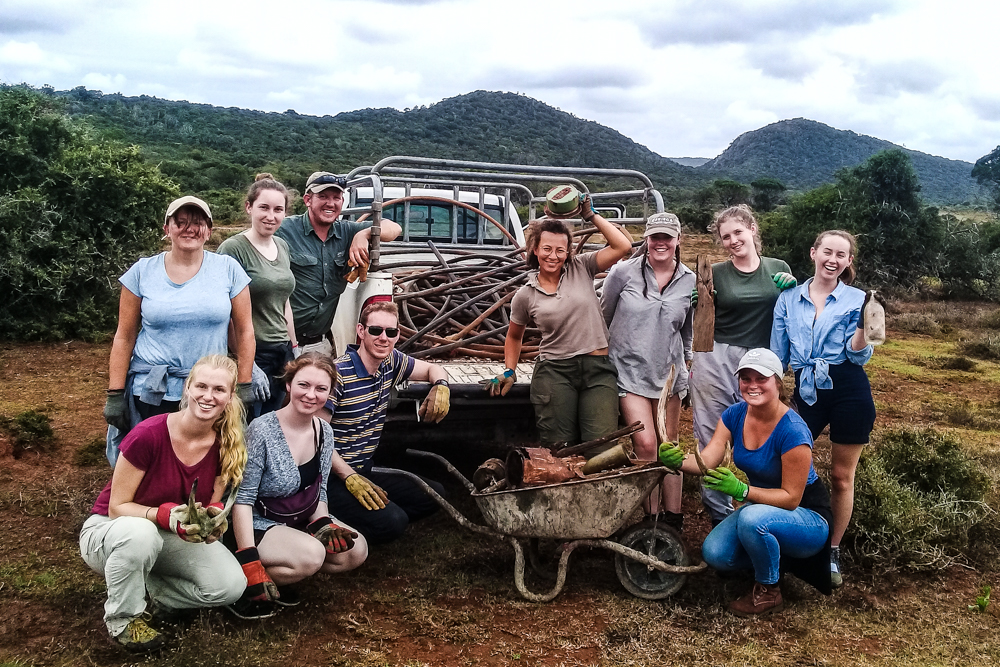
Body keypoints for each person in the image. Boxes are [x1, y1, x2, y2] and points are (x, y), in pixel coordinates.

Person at [80, 355, 248, 653]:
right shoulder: (148, 435)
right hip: (110, 531)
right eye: (201, 386)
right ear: (187, 388)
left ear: (231, 396)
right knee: (140, 535)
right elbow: (117, 507)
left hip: (165, 535)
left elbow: (209, 508)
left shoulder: (226, 445)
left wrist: (211, 523)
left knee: (231, 585)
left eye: (219, 390)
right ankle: (123, 621)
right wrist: (163, 514)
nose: (208, 396)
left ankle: (150, 591)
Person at [659, 348, 832, 616]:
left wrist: (742, 490)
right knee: (715, 553)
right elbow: (707, 459)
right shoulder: (735, 415)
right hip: (763, 510)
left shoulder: (793, 431)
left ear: (777, 382)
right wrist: (677, 461)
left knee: (752, 520)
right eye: (745, 378)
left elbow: (791, 498)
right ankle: (772, 561)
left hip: (806, 517)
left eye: (760, 378)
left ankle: (769, 591)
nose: (752, 385)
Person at [103, 196, 255, 464]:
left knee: (205, 459)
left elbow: (244, 332)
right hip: (153, 390)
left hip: (210, 390)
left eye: (198, 223)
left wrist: (243, 383)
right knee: (153, 461)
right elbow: (124, 336)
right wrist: (115, 394)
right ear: (167, 229)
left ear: (209, 230)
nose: (189, 229)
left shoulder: (228, 270)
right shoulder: (142, 272)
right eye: (180, 222)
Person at [488, 186, 634, 452]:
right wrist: (510, 370)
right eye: (546, 249)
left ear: (568, 252)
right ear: (534, 249)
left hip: (597, 370)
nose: (552, 256)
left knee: (601, 446)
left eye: (560, 250)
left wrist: (590, 215)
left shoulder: (583, 267)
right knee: (559, 447)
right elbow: (514, 335)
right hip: (555, 372)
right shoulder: (525, 294)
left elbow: (623, 246)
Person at [770, 230, 876, 589]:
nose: (832, 259)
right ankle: (789, 532)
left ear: (848, 262)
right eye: (827, 252)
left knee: (842, 476)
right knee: (784, 460)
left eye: (841, 255)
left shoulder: (858, 299)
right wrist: (771, 396)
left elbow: (859, 353)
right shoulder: (788, 297)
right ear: (813, 253)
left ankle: (831, 548)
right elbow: (778, 354)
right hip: (807, 388)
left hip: (848, 387)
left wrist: (863, 325)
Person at [230, 352, 368, 619]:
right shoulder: (262, 431)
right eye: (303, 385)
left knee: (356, 551)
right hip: (260, 521)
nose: (311, 395)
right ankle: (241, 586)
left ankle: (279, 582)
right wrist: (249, 558)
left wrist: (323, 523)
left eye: (321, 388)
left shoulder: (324, 431)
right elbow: (243, 499)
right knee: (312, 556)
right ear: (289, 384)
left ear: (330, 393)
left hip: (300, 517)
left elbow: (320, 488)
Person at [689, 204, 797, 525]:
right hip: (716, 356)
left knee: (763, 432)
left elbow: (790, 313)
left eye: (738, 231)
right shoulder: (714, 272)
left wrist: (792, 288)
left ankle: (765, 508)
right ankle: (719, 514)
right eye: (725, 236)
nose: (733, 240)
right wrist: (700, 301)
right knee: (711, 433)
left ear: (752, 229)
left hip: (761, 360)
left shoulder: (778, 268)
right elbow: (702, 317)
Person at [323, 301, 452, 543]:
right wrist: (348, 476)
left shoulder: (391, 362)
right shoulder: (337, 375)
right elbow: (317, 437)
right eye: (376, 330)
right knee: (394, 522)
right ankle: (328, 525)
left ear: (397, 335)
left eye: (390, 332)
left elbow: (434, 369)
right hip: (333, 477)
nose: (383, 338)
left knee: (435, 494)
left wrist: (441, 387)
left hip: (366, 468)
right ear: (361, 331)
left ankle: (370, 516)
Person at [602, 212, 694, 530]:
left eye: (667, 237)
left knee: (669, 447)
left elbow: (688, 332)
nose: (660, 243)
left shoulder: (690, 281)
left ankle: (674, 519)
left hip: (668, 373)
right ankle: (652, 519)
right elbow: (604, 316)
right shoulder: (623, 273)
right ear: (647, 239)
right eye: (655, 237)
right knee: (645, 444)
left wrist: (687, 367)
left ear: (677, 240)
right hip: (628, 369)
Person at [275, 172, 402, 356]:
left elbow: (395, 228)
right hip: (280, 343)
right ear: (308, 200)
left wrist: (364, 234)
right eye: (323, 197)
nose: (330, 203)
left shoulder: (347, 231)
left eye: (337, 197)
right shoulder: (285, 230)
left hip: (319, 345)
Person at [219, 174, 299, 418]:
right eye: (263, 207)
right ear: (249, 207)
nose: (271, 216)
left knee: (271, 421)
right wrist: (247, 365)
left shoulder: (282, 246)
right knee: (245, 423)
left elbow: (284, 302)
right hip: (253, 352)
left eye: (278, 209)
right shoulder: (233, 249)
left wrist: (294, 348)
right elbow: (226, 313)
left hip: (281, 352)